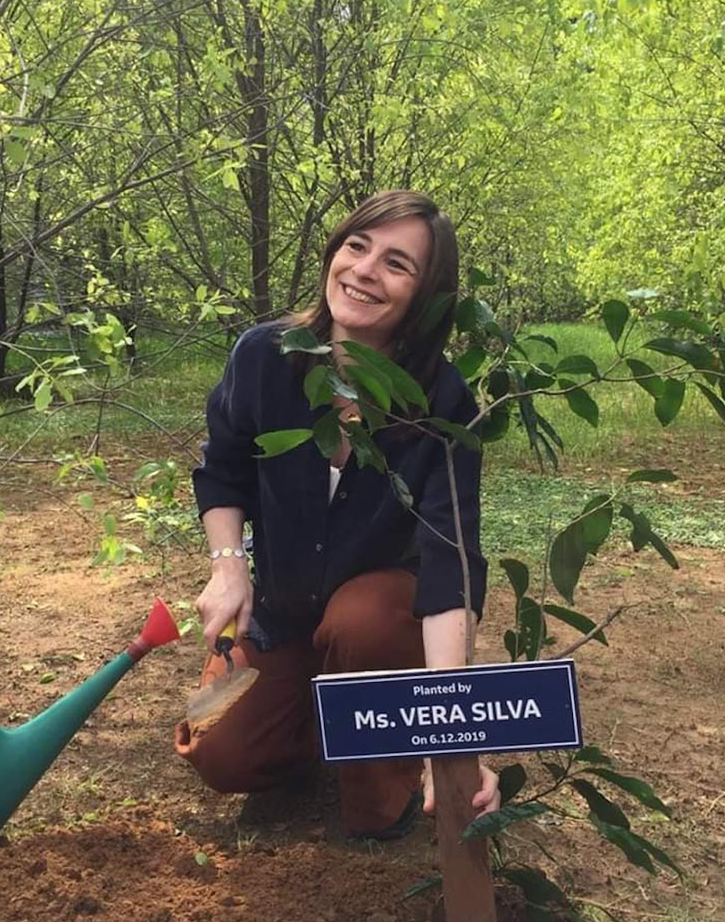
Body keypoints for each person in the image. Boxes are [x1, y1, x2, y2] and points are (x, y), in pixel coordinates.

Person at [176, 190, 499, 839]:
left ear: (424, 296)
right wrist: (230, 567)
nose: (363, 270)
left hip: (379, 610)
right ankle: (320, 722)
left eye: (396, 264)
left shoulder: (440, 399)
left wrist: (449, 730)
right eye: (356, 245)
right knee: (216, 749)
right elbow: (223, 469)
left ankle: (382, 782)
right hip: (283, 605)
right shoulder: (264, 356)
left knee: (364, 624)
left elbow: (448, 561)